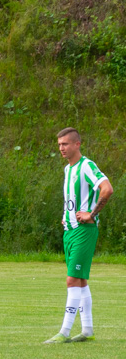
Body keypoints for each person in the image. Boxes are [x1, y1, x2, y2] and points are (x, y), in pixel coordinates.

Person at [44, 127, 113, 344]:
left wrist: (92, 214)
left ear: (77, 144)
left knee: (72, 279)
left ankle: (64, 332)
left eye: (65, 144)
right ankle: (88, 330)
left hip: (84, 230)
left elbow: (107, 189)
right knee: (80, 280)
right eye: (59, 145)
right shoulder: (68, 169)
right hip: (70, 230)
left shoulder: (87, 166)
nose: (61, 148)